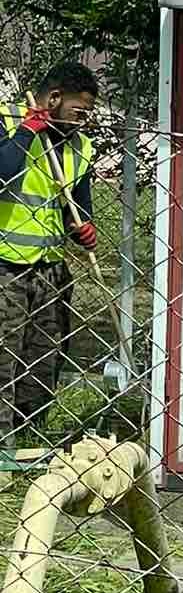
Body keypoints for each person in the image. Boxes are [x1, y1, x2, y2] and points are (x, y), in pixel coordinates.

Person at [0, 59, 99, 464]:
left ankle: (25, 441)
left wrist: (84, 229)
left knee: (43, 360)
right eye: (79, 111)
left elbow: (78, 206)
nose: (83, 121)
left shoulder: (78, 147)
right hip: (5, 267)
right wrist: (27, 132)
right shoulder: (8, 124)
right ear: (53, 98)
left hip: (51, 271)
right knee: (3, 360)